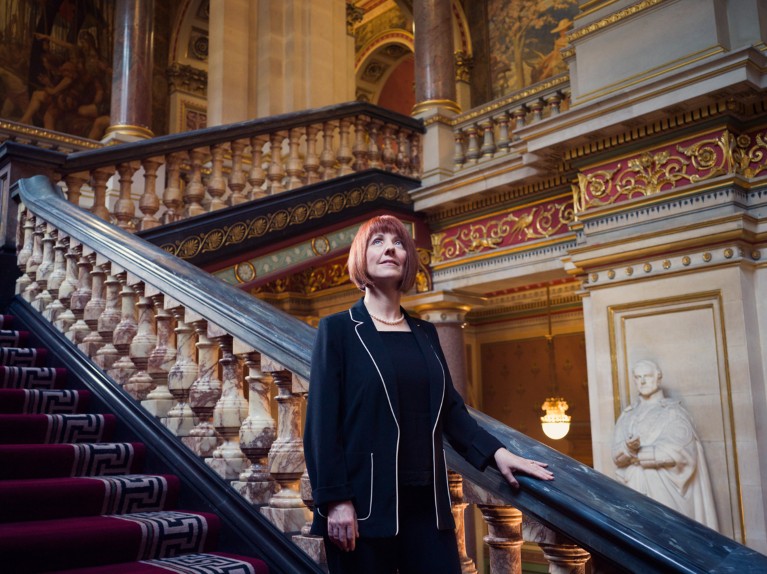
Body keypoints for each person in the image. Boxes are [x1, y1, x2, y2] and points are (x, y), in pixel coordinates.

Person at [303, 215, 554, 574]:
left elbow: (451, 411)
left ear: (408, 260)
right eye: (378, 241)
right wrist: (335, 500)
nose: (391, 247)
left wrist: (498, 453)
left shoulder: (425, 332)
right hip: (363, 506)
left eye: (399, 242)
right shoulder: (339, 330)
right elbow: (321, 425)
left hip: (427, 505)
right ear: (361, 257)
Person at [612, 359, 718, 529]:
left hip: (666, 491)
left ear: (658, 378)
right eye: (638, 377)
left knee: (670, 537)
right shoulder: (627, 416)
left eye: (647, 376)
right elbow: (616, 455)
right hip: (634, 488)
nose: (643, 381)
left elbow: (680, 452)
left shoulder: (673, 413)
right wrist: (627, 448)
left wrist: (637, 454)